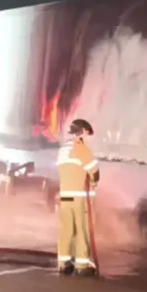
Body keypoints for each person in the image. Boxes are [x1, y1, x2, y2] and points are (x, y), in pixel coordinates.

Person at [55, 118, 100, 276]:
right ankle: (82, 265)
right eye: (88, 134)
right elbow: (94, 172)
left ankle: (63, 263)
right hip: (80, 198)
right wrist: (94, 182)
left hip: (65, 197)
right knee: (83, 229)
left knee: (66, 229)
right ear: (82, 132)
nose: (88, 138)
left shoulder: (62, 150)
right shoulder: (81, 149)